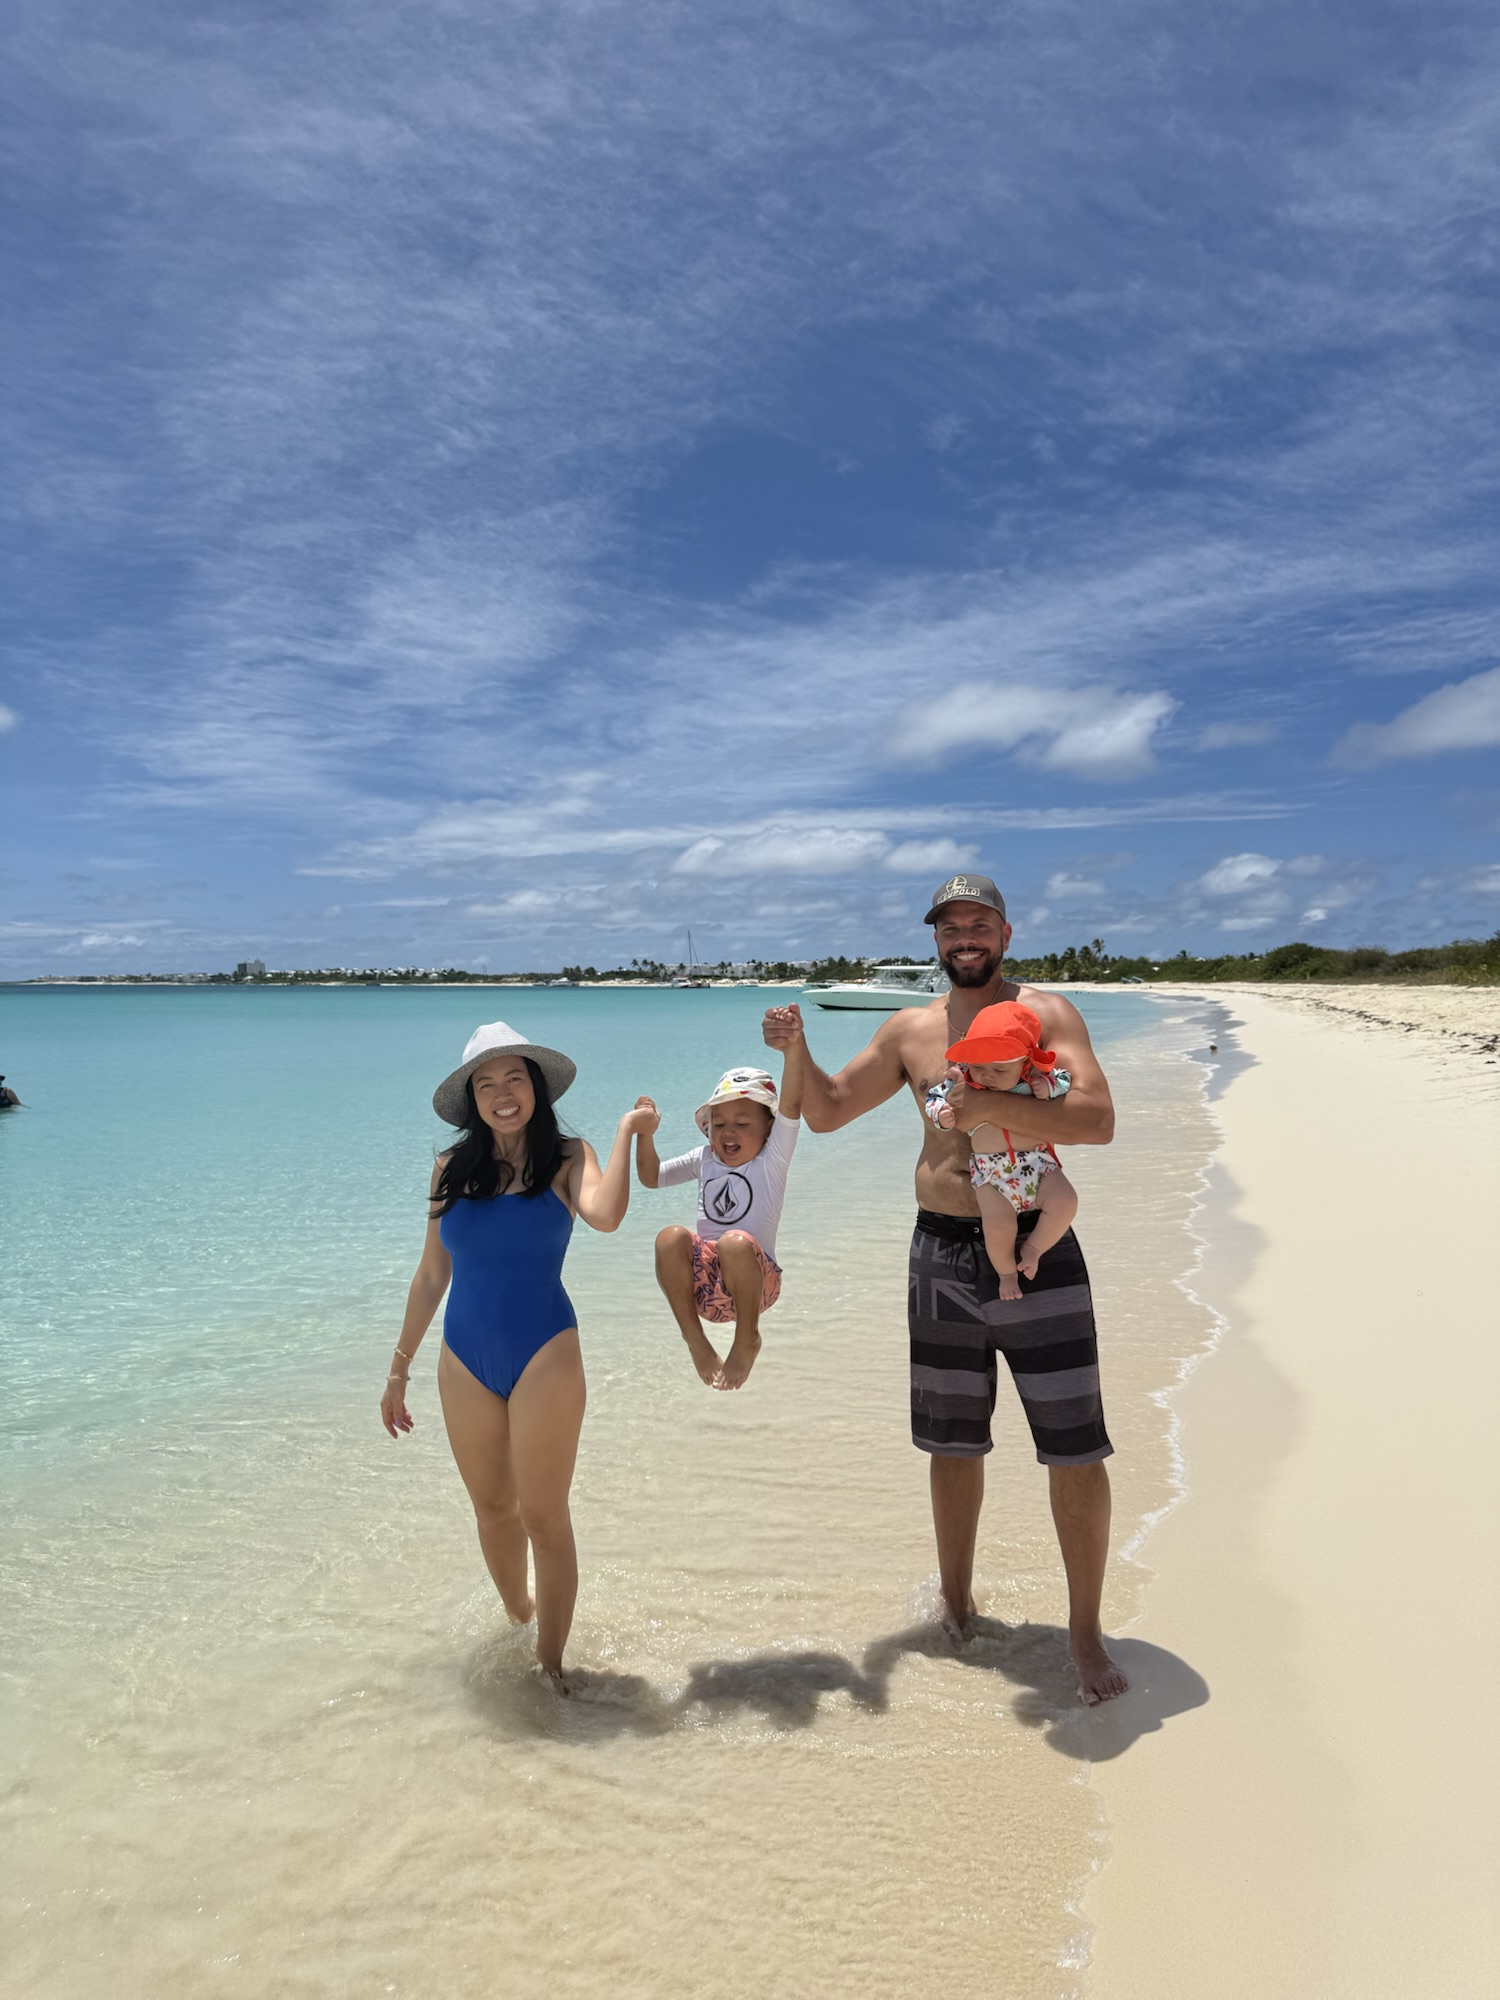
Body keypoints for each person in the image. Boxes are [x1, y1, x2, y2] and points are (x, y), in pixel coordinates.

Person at [763, 873, 1128, 1705]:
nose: (964, 937)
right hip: (939, 1253)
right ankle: (957, 1608)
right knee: (951, 1442)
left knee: (1075, 1446)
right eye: (950, 925)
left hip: (1038, 1246)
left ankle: (1083, 1633)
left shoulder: (1049, 1015)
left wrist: (986, 1105)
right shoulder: (910, 1030)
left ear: (1005, 932)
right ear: (935, 937)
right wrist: (795, 1054)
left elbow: (1097, 1121)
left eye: (979, 924)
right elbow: (823, 1112)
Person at [380, 1021, 656, 1684]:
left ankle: (552, 1665)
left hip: (545, 1354)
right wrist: (398, 1371)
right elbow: (430, 1276)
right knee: (493, 1510)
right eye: (487, 1083)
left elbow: (607, 1214)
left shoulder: (567, 1157)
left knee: (542, 1514)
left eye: (515, 1079)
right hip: (463, 1357)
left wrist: (625, 1136)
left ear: (535, 1088)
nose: (503, 1093)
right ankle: (520, 1619)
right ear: (471, 1099)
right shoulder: (450, 1168)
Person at [634, 1050, 803, 1390]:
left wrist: (792, 1047)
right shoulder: (704, 1158)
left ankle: (747, 1341)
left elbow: (792, 1106)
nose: (728, 1132)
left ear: (769, 1128)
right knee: (670, 1236)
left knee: (733, 1242)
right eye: (719, 1124)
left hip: (755, 1287)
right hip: (706, 1290)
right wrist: (645, 1133)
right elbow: (651, 1177)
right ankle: (696, 1342)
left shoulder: (773, 1159)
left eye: (742, 1124)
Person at [924, 1000, 1079, 1301]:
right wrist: (941, 1113)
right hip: (992, 1174)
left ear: (1023, 1062)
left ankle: (1033, 1249)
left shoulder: (1033, 1075)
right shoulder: (963, 1077)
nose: (987, 1076)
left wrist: (1049, 1088)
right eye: (980, 1067)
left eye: (999, 1069)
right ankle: (1007, 1275)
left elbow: (1065, 1079)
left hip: (1038, 1165)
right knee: (997, 1227)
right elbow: (933, 1096)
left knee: (1066, 1201)